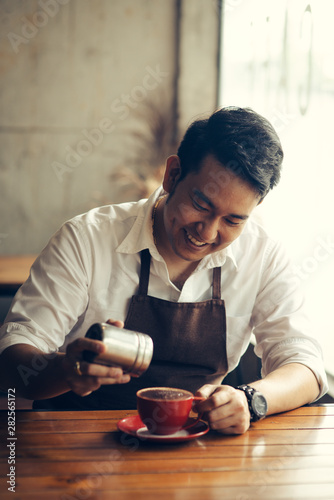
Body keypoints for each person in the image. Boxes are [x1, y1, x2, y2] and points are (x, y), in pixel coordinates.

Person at [0, 107, 328, 435]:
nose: (208, 232)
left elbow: (307, 367)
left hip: (190, 448)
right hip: (73, 444)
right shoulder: (86, 239)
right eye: (201, 205)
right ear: (173, 174)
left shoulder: (262, 255)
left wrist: (251, 398)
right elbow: (12, 359)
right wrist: (65, 369)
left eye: (233, 220)